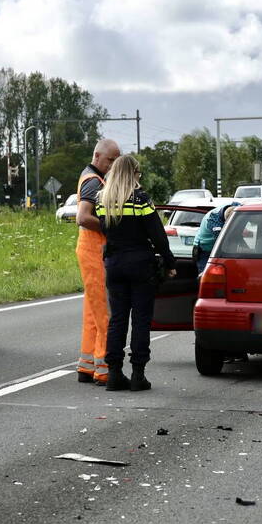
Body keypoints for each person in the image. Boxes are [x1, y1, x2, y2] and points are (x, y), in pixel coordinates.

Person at [93, 155, 177, 391]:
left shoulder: (103, 200)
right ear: (133, 173)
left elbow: (106, 231)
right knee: (140, 320)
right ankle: (138, 374)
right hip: (141, 265)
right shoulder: (141, 200)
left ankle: (114, 374)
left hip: (114, 265)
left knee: (117, 320)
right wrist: (170, 263)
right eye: (138, 173)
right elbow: (158, 236)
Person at [74, 139, 120, 385]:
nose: (113, 165)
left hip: (91, 250)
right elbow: (83, 217)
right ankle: (104, 369)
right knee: (106, 312)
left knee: (93, 312)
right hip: (95, 251)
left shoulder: (93, 178)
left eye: (116, 161)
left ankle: (88, 365)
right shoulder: (93, 182)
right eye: (111, 160)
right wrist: (111, 226)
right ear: (98, 156)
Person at [193, 201, 241, 274]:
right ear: (226, 222)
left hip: (214, 245)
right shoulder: (213, 221)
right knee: (206, 275)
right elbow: (224, 243)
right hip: (204, 249)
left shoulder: (236, 206)